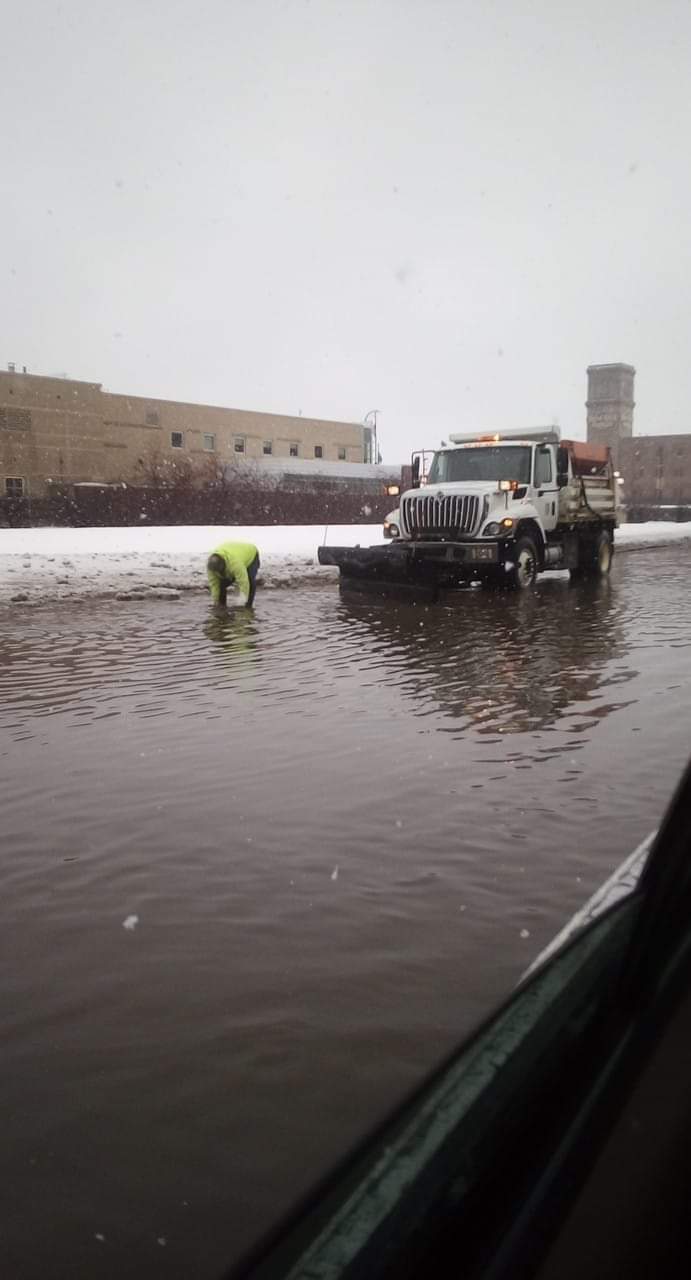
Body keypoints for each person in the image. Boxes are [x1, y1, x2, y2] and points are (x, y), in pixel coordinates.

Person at [206, 542, 260, 608]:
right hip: (233, 552)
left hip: (251, 553)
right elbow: (214, 585)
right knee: (221, 583)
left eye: (219, 571)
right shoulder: (211, 567)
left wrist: (242, 603)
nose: (217, 573)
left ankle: (248, 606)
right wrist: (216, 602)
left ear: (224, 566)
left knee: (250, 580)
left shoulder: (235, 564)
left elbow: (244, 582)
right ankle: (222, 606)